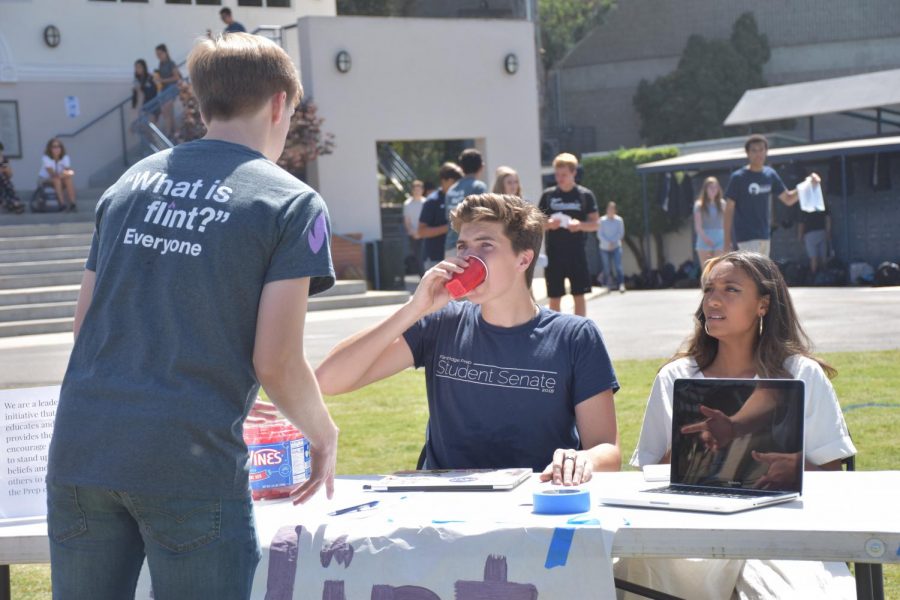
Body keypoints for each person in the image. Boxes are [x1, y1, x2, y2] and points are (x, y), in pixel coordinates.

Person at [46, 33, 340, 600]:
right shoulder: (292, 202)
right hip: (190, 460)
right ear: (280, 103)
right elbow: (276, 362)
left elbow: (85, 329)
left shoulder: (128, 184)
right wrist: (322, 433)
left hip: (84, 450)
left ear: (198, 104)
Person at [318, 193, 620, 485]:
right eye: (462, 246)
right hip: (446, 509)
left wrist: (583, 460)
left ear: (523, 260)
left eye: (485, 245)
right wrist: (415, 309)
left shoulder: (575, 336)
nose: (468, 257)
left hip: (533, 504)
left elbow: (607, 450)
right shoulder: (440, 323)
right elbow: (329, 381)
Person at [620, 250, 857, 600]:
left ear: (763, 305)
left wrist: (794, 467)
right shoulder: (676, 377)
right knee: (630, 577)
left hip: (779, 532)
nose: (713, 300)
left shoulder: (801, 374)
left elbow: (833, 479)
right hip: (692, 532)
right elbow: (647, 478)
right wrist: (684, 453)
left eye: (730, 289)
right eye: (708, 289)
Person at [724, 134, 821, 256]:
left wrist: (808, 184)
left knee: (762, 275)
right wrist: (726, 241)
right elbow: (728, 210)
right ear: (747, 153)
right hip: (746, 237)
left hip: (765, 236)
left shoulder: (770, 174)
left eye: (761, 150)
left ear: (766, 152)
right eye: (754, 150)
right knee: (753, 274)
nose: (758, 154)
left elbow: (788, 199)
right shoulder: (738, 177)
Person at [538, 152, 600, 316]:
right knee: (554, 296)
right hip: (554, 254)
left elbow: (596, 224)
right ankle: (555, 332)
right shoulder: (548, 195)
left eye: (564, 174)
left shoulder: (585, 195)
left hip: (577, 253)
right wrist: (549, 224)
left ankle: (579, 331)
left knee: (579, 294)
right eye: (557, 174)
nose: (560, 178)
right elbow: (536, 223)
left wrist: (580, 225)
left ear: (574, 173)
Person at [418, 162, 462, 271]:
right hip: (434, 259)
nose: (457, 185)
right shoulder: (432, 201)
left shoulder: (458, 198)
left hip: (454, 255)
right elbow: (421, 231)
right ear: (444, 181)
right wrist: (449, 227)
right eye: (453, 182)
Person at [443, 148, 487, 253]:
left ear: (461, 168)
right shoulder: (479, 187)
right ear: (481, 167)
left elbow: (447, 217)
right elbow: (482, 217)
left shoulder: (452, 189)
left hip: (451, 246)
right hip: (471, 247)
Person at [693, 176, 725, 265]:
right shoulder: (699, 204)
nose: (713, 190)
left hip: (720, 238)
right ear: (705, 189)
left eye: (715, 187)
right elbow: (698, 226)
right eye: (711, 187)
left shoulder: (722, 203)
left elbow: (726, 223)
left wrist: (728, 240)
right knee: (706, 270)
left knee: (718, 267)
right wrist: (706, 239)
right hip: (704, 238)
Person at [39, 138, 77, 212]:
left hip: (60, 179)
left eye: (58, 146)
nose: (57, 149)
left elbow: (68, 171)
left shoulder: (65, 157)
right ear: (50, 148)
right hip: (45, 179)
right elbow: (52, 174)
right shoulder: (46, 158)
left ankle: (73, 203)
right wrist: (64, 174)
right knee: (57, 179)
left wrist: (65, 174)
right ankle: (62, 204)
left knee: (68, 179)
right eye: (54, 147)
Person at [154, 43, 182, 138]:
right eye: (157, 54)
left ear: (165, 52)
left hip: (172, 89)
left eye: (160, 53)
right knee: (168, 112)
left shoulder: (171, 63)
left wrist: (162, 80)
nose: (159, 56)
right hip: (165, 90)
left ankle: (168, 133)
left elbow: (176, 77)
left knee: (166, 109)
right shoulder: (161, 64)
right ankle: (174, 132)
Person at [797, 201, 831, 276]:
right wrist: (828, 233)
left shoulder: (804, 206)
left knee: (813, 257)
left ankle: (814, 277)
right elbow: (828, 219)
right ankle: (825, 276)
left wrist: (800, 236)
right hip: (822, 232)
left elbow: (801, 223)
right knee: (823, 256)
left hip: (810, 234)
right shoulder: (822, 203)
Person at [598, 201, 625, 293]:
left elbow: (620, 233)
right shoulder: (601, 220)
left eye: (612, 209)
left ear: (615, 210)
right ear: (607, 210)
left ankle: (621, 284)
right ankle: (606, 285)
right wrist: (607, 242)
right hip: (604, 248)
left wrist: (613, 242)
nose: (611, 211)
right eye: (609, 209)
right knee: (606, 267)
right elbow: (599, 234)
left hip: (616, 246)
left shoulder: (619, 220)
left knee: (618, 266)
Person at [402, 179, 426, 277]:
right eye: (415, 189)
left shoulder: (427, 202)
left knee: (426, 258)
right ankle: (422, 279)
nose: (417, 191)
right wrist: (414, 233)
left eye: (419, 189)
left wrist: (422, 232)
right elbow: (407, 222)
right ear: (412, 190)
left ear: (422, 190)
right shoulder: (407, 204)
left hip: (426, 235)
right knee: (418, 258)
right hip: (414, 236)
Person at [0, 141, 24, 214]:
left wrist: (6, 169)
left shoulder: (4, 160)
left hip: (4, 183)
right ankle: (14, 204)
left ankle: (14, 204)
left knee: (7, 185)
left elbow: (10, 174)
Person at [132, 59, 159, 123]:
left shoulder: (150, 77)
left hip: (153, 104)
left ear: (144, 67)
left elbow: (155, 89)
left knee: (152, 125)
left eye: (139, 67)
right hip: (144, 106)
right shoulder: (137, 80)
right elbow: (138, 94)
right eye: (136, 67)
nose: (137, 69)